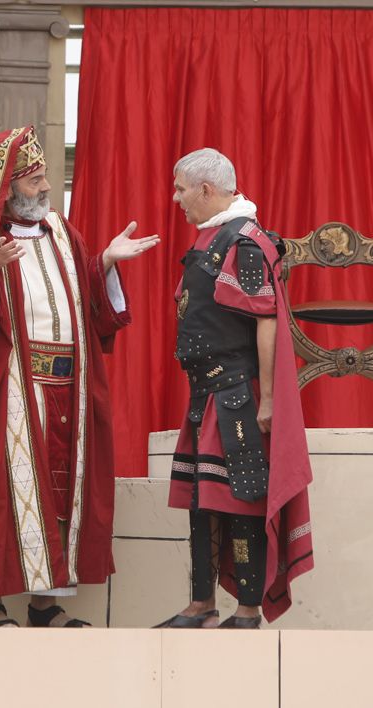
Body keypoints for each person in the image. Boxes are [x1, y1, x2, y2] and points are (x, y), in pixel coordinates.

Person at [0, 126, 159, 627]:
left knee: (59, 496)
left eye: (45, 175)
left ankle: (46, 604)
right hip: (8, 388)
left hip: (68, 387)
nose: (45, 185)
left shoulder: (60, 231)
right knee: (0, 494)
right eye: (33, 179)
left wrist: (107, 264)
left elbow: (85, 299)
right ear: (5, 187)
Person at [156, 148, 313, 629]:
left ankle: (247, 610)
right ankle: (201, 606)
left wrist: (267, 398)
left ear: (205, 189)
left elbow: (265, 321)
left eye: (182, 189)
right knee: (202, 503)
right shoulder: (215, 237)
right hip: (206, 395)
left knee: (240, 500)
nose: (177, 199)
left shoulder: (243, 240)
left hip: (236, 398)